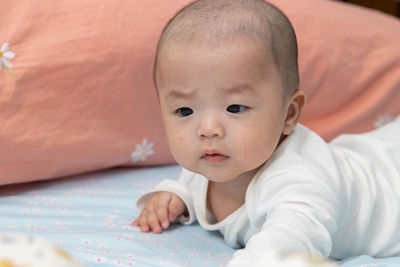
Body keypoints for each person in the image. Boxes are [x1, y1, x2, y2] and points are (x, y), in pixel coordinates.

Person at [132, 0, 400, 265]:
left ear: (290, 113)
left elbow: (288, 243)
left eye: (235, 107)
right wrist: (176, 198)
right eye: (185, 111)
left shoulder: (301, 182)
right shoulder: (214, 158)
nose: (208, 130)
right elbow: (192, 184)